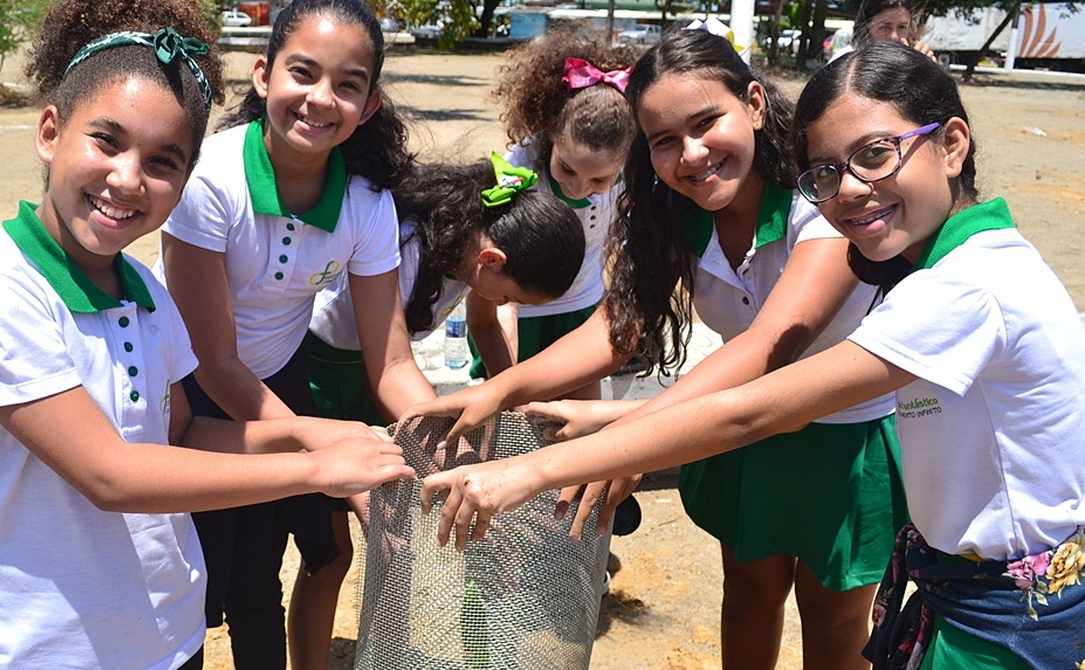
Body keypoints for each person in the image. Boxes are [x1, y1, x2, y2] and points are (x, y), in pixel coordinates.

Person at [421, 41, 1085, 669]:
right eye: (662, 141)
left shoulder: (890, 248)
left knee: (833, 622)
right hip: (942, 563)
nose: (851, 189)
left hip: (892, 495)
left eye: (878, 155)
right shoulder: (927, 256)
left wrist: (580, 453)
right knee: (747, 592)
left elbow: (763, 362)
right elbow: (623, 328)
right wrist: (502, 392)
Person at [0, 1, 414, 668]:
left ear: (184, 179)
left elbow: (179, 431)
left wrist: (311, 431)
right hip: (48, 647)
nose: (128, 178)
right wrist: (312, 467)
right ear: (49, 131)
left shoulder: (146, 292)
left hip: (164, 632)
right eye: (107, 141)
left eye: (162, 162)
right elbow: (111, 474)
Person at [155, 0, 433, 667]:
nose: (320, 98)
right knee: (180, 585)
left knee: (258, 583)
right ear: (262, 75)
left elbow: (392, 364)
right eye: (302, 73)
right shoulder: (211, 179)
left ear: (367, 107)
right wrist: (322, 459)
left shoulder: (367, 206)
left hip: (275, 384)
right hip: (187, 394)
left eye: (347, 84)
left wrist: (439, 453)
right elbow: (217, 361)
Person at [307, 154, 585, 424]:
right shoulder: (406, 253)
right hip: (322, 365)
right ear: (492, 260)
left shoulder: (476, 243)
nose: (501, 304)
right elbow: (385, 369)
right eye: (508, 297)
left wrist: (510, 399)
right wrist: (440, 443)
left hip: (382, 368)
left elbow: (485, 324)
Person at [466, 30, 641, 398]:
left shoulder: (634, 177)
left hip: (580, 313)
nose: (578, 188)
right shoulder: (518, 173)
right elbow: (495, 279)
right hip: (516, 310)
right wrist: (503, 367)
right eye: (567, 170)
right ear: (550, 134)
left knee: (574, 428)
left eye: (599, 179)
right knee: (507, 415)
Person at [830, 0, 935, 62]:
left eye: (902, 27)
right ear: (866, 28)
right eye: (885, 28)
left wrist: (928, 71)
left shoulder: (912, 59)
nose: (895, 37)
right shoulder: (844, 63)